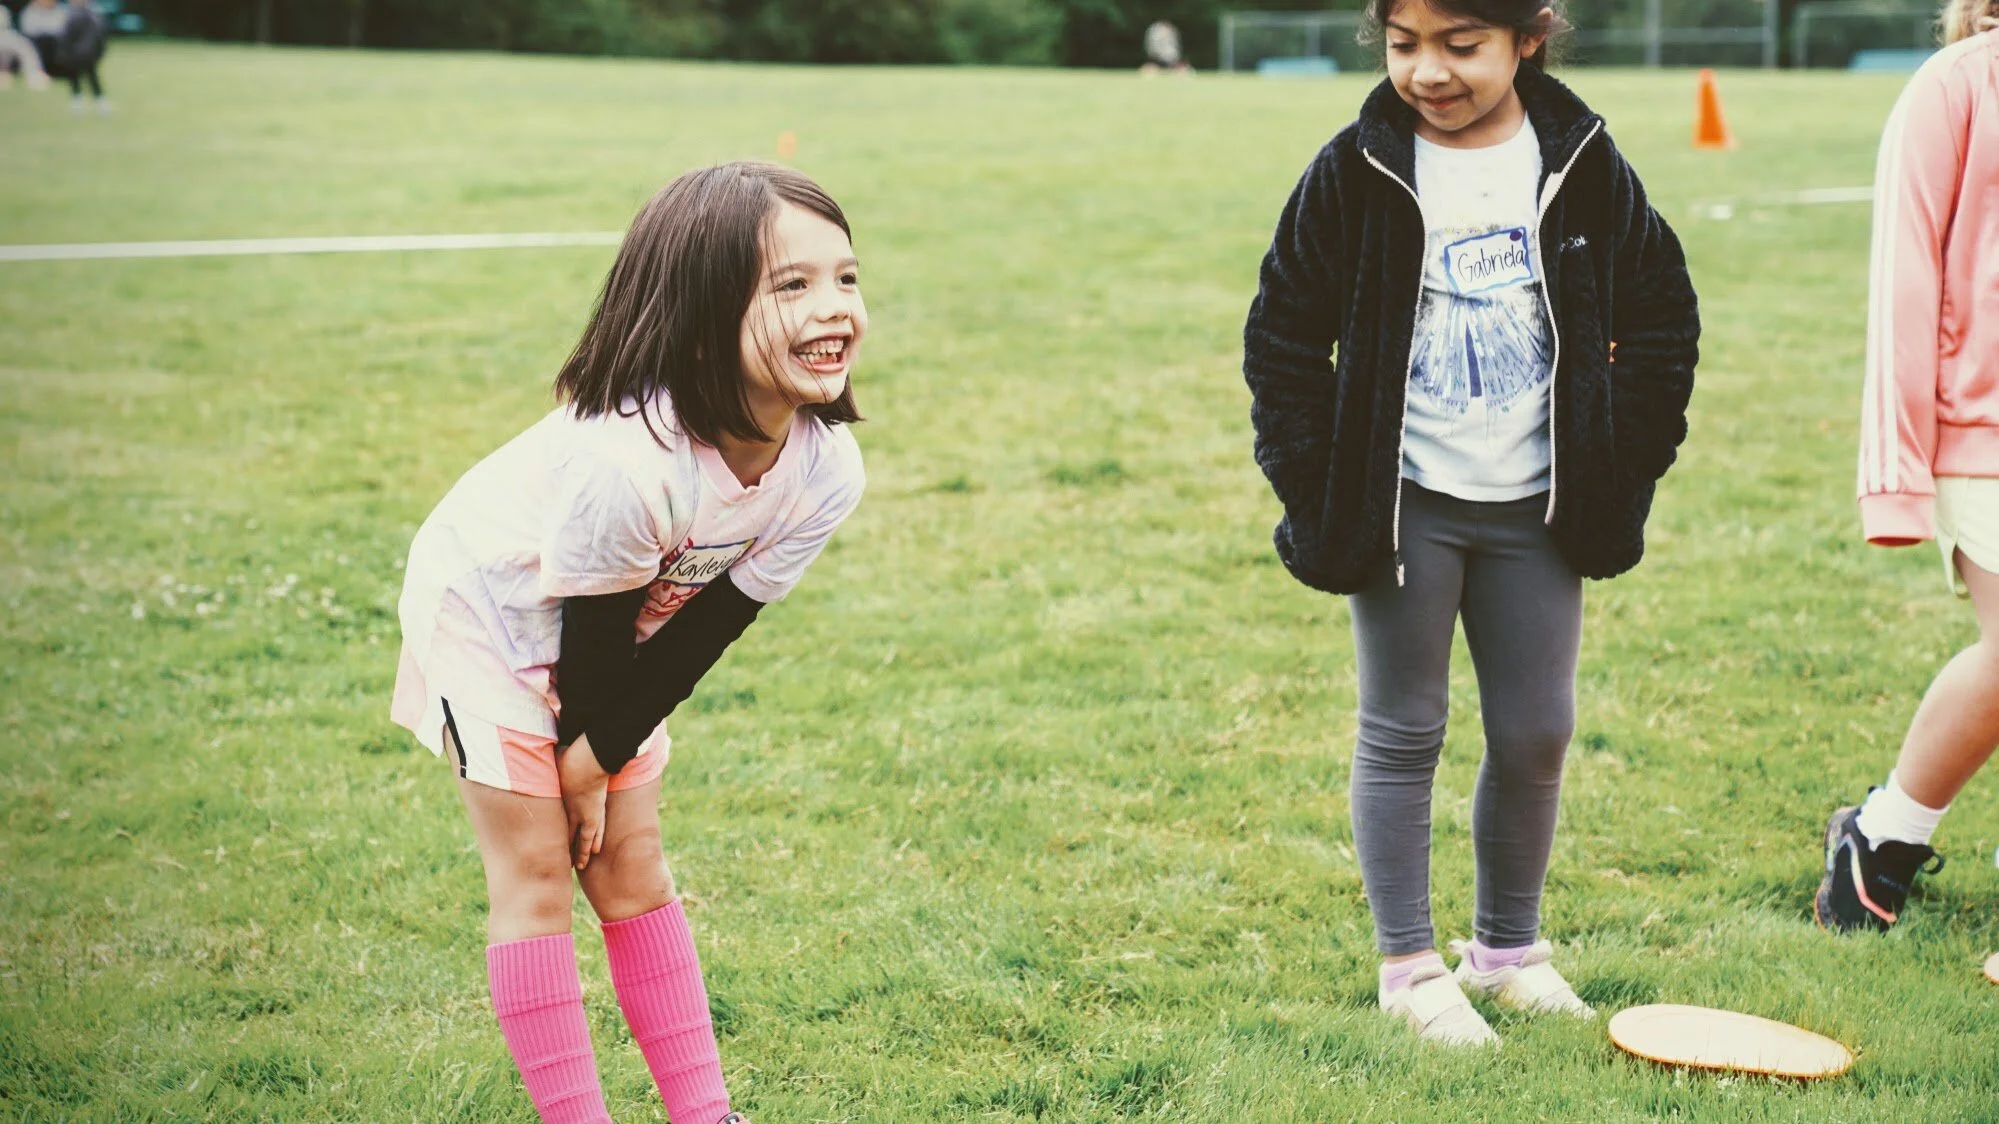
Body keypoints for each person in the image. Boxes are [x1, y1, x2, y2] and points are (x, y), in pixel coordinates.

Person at [1241, 0, 1698, 1045]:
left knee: (1537, 730)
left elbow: (1661, 311)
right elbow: (1281, 333)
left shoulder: (1579, 156)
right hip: (1404, 509)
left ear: (1526, 38)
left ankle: (1505, 953)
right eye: (1404, 45)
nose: (1427, 72)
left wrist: (1622, 465)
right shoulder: (1353, 167)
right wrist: (1317, 490)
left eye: (1460, 46)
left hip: (1539, 506)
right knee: (1404, 728)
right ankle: (1408, 965)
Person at [390, 162, 867, 1123]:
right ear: (699, 316)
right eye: (792, 285)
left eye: (846, 278)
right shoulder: (627, 460)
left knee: (632, 868)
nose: (835, 309)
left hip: (618, 635)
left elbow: (705, 631)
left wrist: (597, 757)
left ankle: (704, 1114)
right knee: (538, 871)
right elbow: (590, 642)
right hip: (489, 612)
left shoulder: (824, 470)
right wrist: (578, 768)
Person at [1817, 2, 1999, 936]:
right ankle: (1880, 838)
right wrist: (1895, 477)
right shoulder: (1955, 85)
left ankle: (1883, 834)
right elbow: (1903, 284)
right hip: (1983, 438)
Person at [60, 0, 106, 112]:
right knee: (74, 76)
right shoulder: (67, 14)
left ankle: (100, 101)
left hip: (87, 54)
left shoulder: (93, 14)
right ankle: (77, 99)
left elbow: (98, 37)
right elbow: (64, 36)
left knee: (91, 76)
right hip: (73, 53)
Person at [0, 7, 51, 90]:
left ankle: (33, 73)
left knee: (20, 43)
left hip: (6, 36)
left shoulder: (2, 11)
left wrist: (34, 73)